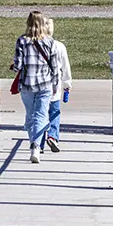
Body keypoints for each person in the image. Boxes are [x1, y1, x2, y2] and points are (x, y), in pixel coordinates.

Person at [13, 11, 60, 165]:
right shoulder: (50, 42)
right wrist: (56, 84)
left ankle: (34, 143)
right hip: (45, 84)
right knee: (40, 115)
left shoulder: (22, 41)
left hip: (27, 84)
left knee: (31, 115)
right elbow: (55, 66)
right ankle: (36, 146)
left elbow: (18, 65)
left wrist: (14, 67)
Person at [40, 18, 72, 153]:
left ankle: (38, 142)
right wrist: (67, 84)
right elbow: (65, 67)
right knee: (54, 112)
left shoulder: (35, 44)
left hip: (39, 84)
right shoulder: (59, 46)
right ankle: (53, 136)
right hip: (54, 85)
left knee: (40, 113)